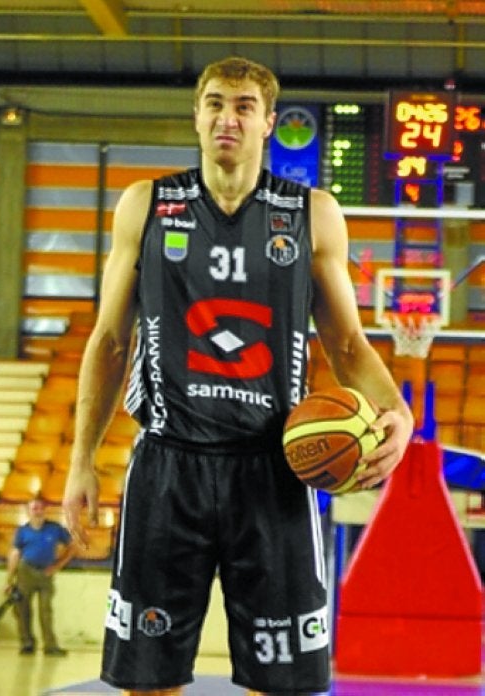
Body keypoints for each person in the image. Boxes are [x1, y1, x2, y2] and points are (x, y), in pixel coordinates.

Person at [63, 56, 414, 696]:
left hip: (273, 472)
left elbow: (347, 343)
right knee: (147, 682)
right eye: (216, 103)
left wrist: (400, 412)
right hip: (167, 466)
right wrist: (80, 461)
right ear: (196, 116)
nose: (228, 117)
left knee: (284, 685)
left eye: (245, 106)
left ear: (268, 122)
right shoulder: (145, 205)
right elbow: (110, 341)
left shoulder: (313, 213)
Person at [5, 495, 75, 655]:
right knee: (23, 610)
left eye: (40, 508)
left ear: (45, 510)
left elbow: (72, 547)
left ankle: (50, 646)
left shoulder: (55, 528)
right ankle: (27, 643)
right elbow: (15, 554)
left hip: (46, 573)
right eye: (34, 508)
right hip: (25, 571)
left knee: (46, 611)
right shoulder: (22, 531)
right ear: (28, 511)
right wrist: (9, 580)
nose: (37, 511)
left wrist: (57, 566)